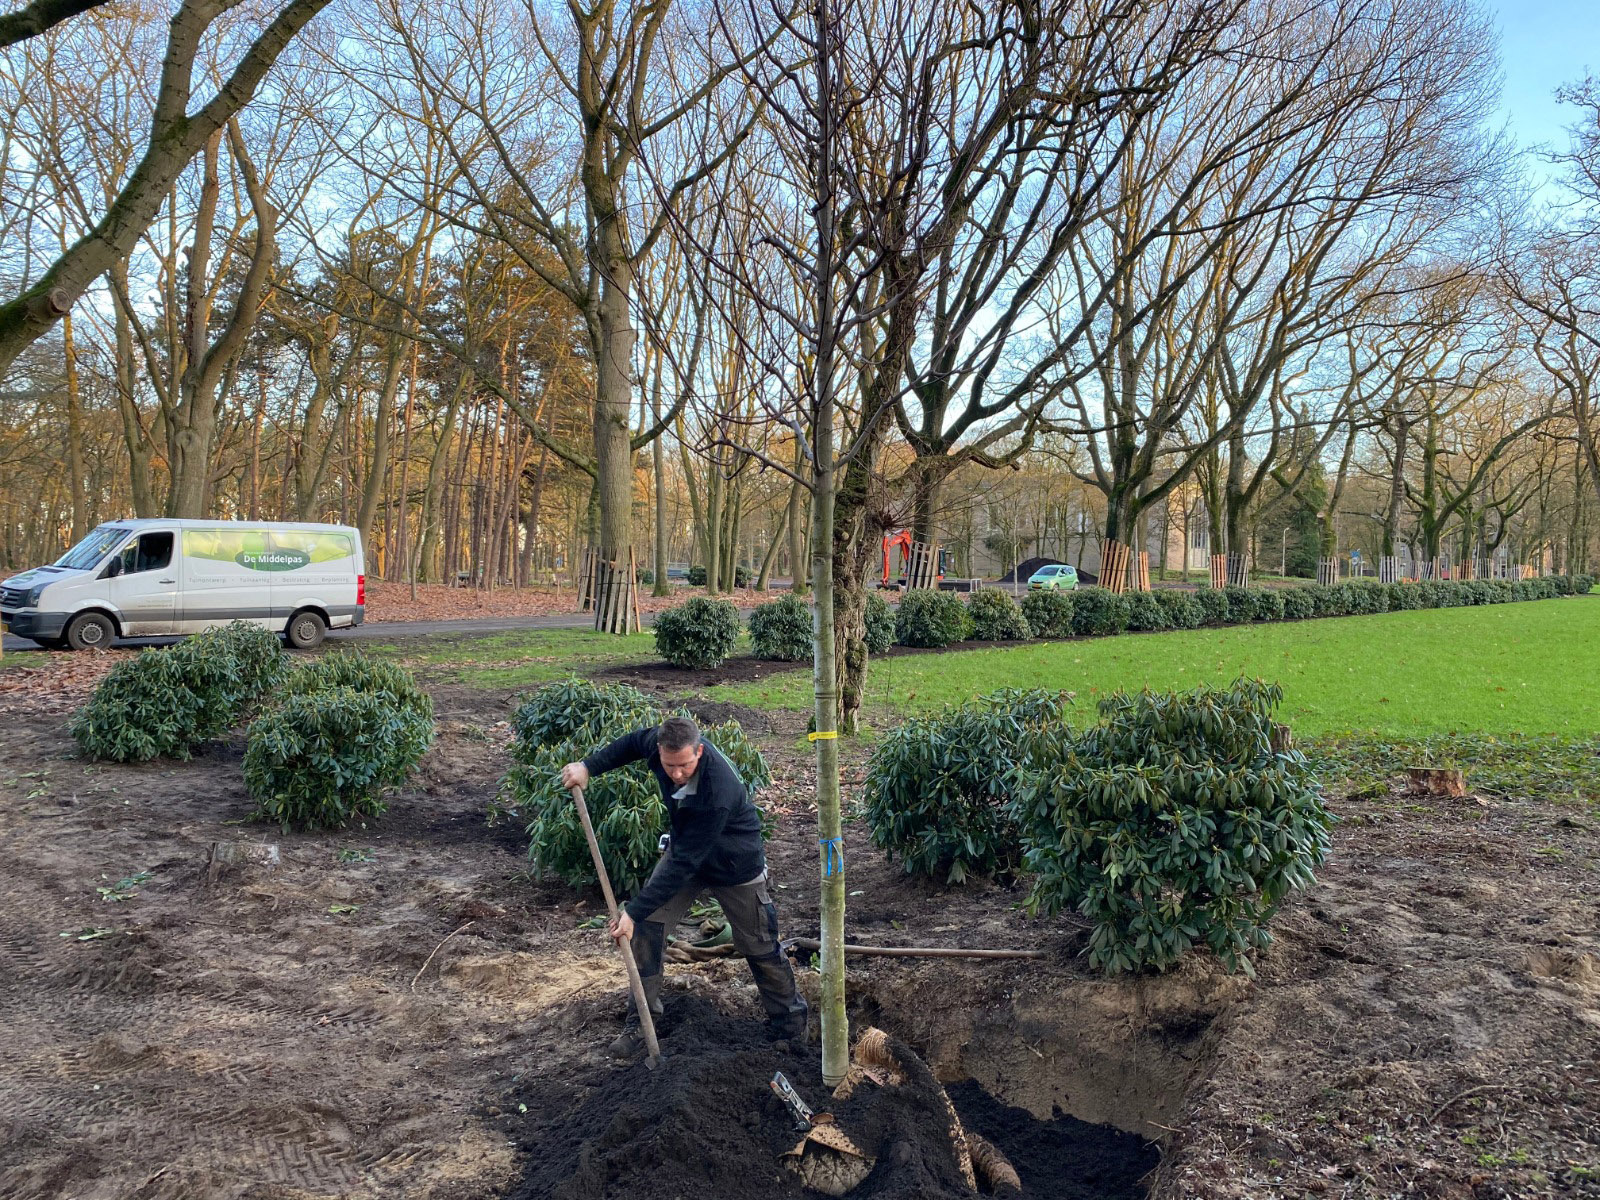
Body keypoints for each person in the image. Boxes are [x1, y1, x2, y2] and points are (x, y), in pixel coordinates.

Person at [561, 715, 809, 1058]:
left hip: (734, 863)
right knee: (645, 929)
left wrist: (632, 909)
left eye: (684, 766)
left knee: (758, 943)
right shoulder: (659, 744)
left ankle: (790, 1026)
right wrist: (588, 767)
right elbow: (632, 744)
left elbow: (685, 863)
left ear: (700, 751)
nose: (676, 773)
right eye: (669, 765)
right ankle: (641, 1022)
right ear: (661, 750)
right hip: (687, 851)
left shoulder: (717, 790)